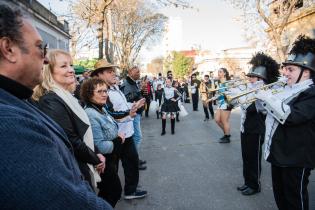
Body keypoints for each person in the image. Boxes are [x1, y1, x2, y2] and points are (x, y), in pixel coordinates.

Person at [0, 3, 112, 209]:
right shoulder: (7, 122)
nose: (44, 59)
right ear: (8, 49)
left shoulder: (17, 99)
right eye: (40, 48)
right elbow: (65, 201)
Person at [255, 35, 315, 210]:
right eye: (285, 69)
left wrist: (269, 98)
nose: (285, 73)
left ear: (306, 72)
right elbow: (267, 111)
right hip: (279, 153)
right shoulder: (286, 89)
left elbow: (291, 116)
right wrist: (260, 98)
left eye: (290, 69)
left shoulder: (311, 92)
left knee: (295, 201)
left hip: (297, 157)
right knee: (281, 198)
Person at [33, 49, 105, 190]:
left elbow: (84, 131)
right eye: (64, 66)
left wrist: (97, 152)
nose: (71, 70)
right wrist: (95, 159)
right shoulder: (50, 100)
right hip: (75, 168)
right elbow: (71, 140)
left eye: (71, 65)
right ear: (49, 71)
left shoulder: (68, 97)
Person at [90, 59, 147, 200]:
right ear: (99, 75)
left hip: (126, 134)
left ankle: (130, 191)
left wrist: (133, 105)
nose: (114, 74)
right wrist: (130, 113)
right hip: (114, 137)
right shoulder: (101, 92)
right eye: (109, 72)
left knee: (131, 163)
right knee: (111, 173)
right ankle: (107, 199)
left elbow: (120, 106)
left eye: (113, 71)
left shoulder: (115, 87)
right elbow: (110, 113)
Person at [236, 52, 280, 196]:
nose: (250, 79)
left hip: (256, 129)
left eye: (253, 77)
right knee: (246, 157)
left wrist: (257, 93)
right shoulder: (250, 88)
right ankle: (247, 182)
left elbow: (256, 108)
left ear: (262, 78)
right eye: (250, 77)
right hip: (245, 127)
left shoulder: (265, 91)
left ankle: (255, 185)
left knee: (254, 159)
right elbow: (241, 105)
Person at [81, 78, 125, 207]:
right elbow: (99, 146)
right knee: (113, 192)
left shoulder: (101, 108)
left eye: (105, 91)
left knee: (108, 192)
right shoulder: (90, 113)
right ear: (89, 94)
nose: (104, 94)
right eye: (100, 91)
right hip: (103, 162)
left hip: (111, 160)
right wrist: (118, 140)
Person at [120, 66, 147, 170]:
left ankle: (136, 158)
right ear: (130, 72)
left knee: (136, 137)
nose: (139, 74)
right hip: (133, 114)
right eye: (136, 72)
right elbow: (127, 98)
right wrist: (139, 91)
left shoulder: (133, 82)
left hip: (137, 113)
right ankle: (134, 160)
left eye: (139, 72)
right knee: (137, 137)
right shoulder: (126, 84)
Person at [214, 68, 232, 143]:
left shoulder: (227, 82)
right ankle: (226, 133)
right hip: (220, 103)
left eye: (220, 72)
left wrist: (222, 94)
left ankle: (227, 137)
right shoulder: (219, 82)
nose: (219, 73)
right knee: (217, 120)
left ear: (224, 73)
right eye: (218, 72)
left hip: (226, 103)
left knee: (225, 121)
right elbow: (218, 93)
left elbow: (229, 92)